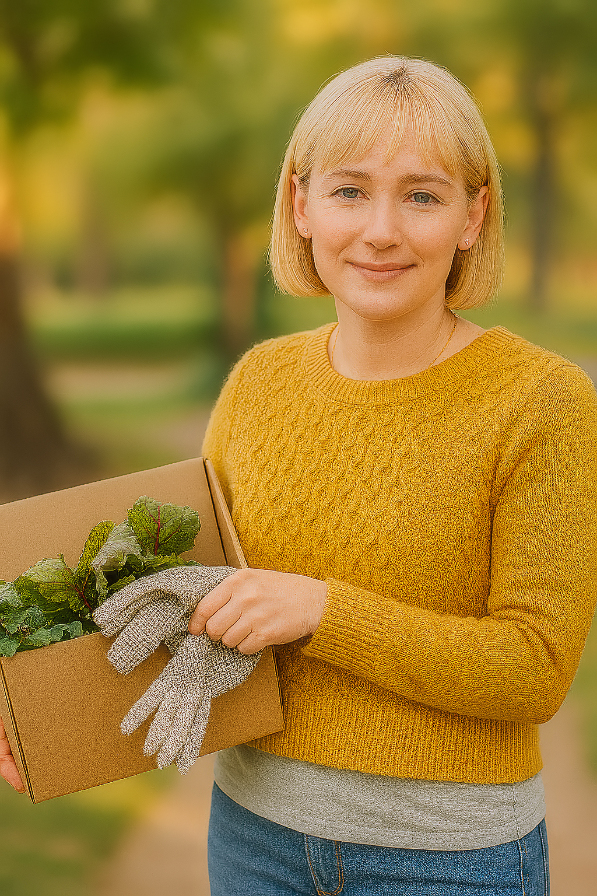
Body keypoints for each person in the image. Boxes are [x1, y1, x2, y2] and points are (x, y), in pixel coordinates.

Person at [2, 55, 596, 895]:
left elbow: (533, 667)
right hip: (254, 841)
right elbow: (186, 598)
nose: (380, 229)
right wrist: (42, 716)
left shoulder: (544, 403)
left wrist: (321, 608)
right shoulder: (259, 382)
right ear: (300, 205)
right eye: (349, 191)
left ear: (473, 215)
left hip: (447, 862)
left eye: (421, 195)